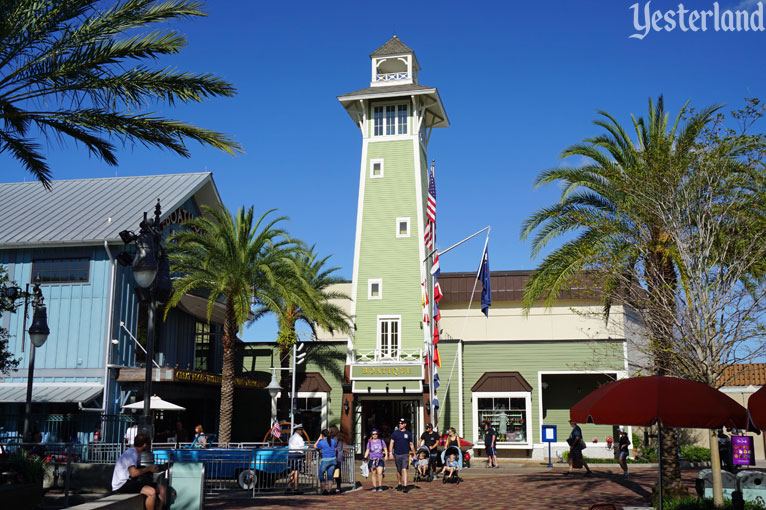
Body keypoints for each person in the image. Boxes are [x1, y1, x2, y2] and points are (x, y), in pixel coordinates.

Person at [112, 433, 166, 510]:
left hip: (130, 481)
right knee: (152, 492)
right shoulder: (132, 453)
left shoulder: (137, 453)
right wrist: (148, 469)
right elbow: (133, 473)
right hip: (122, 484)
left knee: (161, 489)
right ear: (144, 445)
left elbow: (138, 470)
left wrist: (150, 469)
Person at [388, 418, 415, 492]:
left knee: (404, 469)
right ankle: (399, 483)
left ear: (405, 424)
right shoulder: (395, 433)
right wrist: (390, 453)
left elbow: (411, 444)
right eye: (399, 423)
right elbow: (391, 443)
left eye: (402, 423)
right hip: (397, 454)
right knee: (399, 470)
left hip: (405, 454)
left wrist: (414, 454)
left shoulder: (408, 434)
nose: (400, 424)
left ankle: (405, 486)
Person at [364, 428, 387, 492]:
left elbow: (385, 448)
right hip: (372, 459)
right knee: (373, 473)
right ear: (371, 435)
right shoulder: (370, 443)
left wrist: (387, 455)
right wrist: (365, 457)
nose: (374, 435)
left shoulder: (381, 441)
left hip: (380, 459)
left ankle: (380, 486)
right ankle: (374, 486)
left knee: (380, 473)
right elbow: (367, 450)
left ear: (378, 434)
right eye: (373, 434)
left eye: (376, 434)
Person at [315, 429, 337, 495]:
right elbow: (335, 447)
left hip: (325, 460)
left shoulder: (321, 442)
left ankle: (324, 490)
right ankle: (329, 490)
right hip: (333, 459)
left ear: (322, 435)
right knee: (330, 475)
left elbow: (315, 446)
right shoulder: (333, 441)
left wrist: (319, 438)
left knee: (321, 474)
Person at [286, 424, 306, 492]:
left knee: (292, 471)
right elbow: (302, 447)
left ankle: (288, 486)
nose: (301, 431)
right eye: (300, 430)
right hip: (297, 455)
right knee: (296, 471)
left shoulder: (291, 437)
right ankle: (296, 487)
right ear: (297, 430)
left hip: (291, 454)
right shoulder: (299, 438)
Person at [329, 425, 344, 493]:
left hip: (335, 457)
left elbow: (334, 447)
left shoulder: (335, 438)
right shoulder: (339, 437)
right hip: (339, 457)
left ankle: (335, 486)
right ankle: (338, 486)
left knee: (333, 472)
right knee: (337, 472)